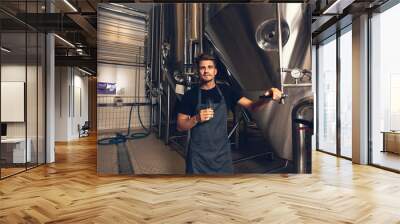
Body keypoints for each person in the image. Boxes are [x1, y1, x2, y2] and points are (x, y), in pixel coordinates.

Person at [176, 53, 282, 174]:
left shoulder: (227, 91)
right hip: (198, 156)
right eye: (202, 68)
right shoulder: (190, 95)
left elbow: (252, 106)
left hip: (222, 154)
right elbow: (180, 126)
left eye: (210, 67)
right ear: (198, 71)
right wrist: (196, 118)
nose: (206, 71)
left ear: (215, 71)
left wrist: (267, 97)